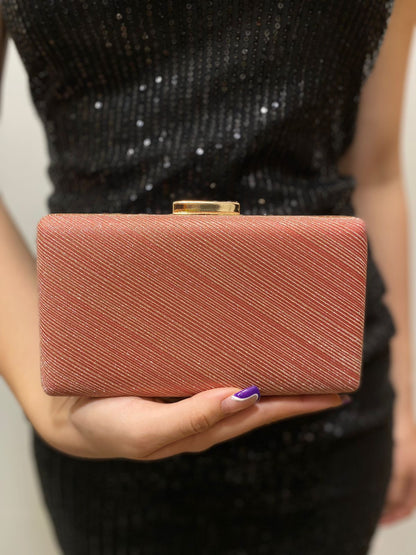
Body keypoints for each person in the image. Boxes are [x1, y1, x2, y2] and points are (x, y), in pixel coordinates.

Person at [0, 1, 415, 553]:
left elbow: (374, 172)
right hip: (101, 395)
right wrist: (52, 410)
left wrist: (405, 397)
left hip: (330, 399)